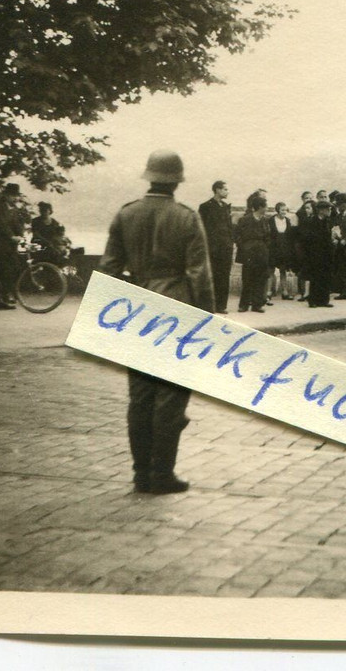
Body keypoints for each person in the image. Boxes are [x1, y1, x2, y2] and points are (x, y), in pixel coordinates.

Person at [98, 149, 214, 495]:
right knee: (171, 397)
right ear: (177, 181)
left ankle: (140, 474)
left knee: (140, 396)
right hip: (176, 309)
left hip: (137, 310)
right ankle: (162, 473)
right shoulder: (187, 218)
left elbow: (108, 271)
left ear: (148, 177)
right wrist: (206, 320)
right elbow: (199, 275)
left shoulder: (126, 214)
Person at [0, 182, 27, 310]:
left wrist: (22, 236)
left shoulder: (14, 208)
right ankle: (0, 299)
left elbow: (17, 224)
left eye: (16, 196)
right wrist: (11, 236)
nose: (15, 198)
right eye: (13, 195)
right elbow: (1, 224)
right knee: (3, 269)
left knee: (14, 268)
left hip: (9, 245)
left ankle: (5, 295)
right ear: (6, 195)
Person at [197, 180, 234, 314]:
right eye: (225, 189)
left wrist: (231, 242)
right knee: (211, 276)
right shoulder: (205, 207)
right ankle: (209, 305)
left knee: (224, 276)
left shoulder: (225, 206)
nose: (227, 192)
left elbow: (229, 227)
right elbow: (201, 228)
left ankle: (221, 306)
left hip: (225, 248)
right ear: (217, 190)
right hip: (212, 249)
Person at [234, 195, 271, 313]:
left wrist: (265, 247)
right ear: (260, 207)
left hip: (261, 253)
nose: (267, 208)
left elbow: (268, 236)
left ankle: (257, 304)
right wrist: (244, 247)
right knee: (247, 279)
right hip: (249, 254)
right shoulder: (245, 220)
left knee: (260, 279)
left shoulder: (265, 220)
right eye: (265, 206)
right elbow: (237, 235)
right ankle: (243, 305)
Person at [303, 199, 336, 307]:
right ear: (321, 210)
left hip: (326, 254)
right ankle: (312, 301)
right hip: (315, 254)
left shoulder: (327, 221)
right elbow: (308, 239)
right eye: (328, 209)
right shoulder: (312, 222)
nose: (329, 211)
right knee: (315, 277)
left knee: (325, 277)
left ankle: (324, 301)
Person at [267, 201, 294, 301]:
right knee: (271, 270)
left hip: (284, 249)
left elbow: (289, 235)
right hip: (273, 249)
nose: (284, 212)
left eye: (285, 210)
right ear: (277, 210)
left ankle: (284, 292)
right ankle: (268, 292)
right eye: (282, 210)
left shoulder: (287, 220)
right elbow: (269, 234)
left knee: (283, 271)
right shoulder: (271, 220)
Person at [293, 199, 315, 301]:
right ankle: (305, 293)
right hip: (305, 248)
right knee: (305, 271)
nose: (306, 210)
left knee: (311, 272)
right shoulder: (304, 219)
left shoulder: (314, 219)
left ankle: (309, 293)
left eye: (308, 208)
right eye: (305, 208)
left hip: (312, 249)